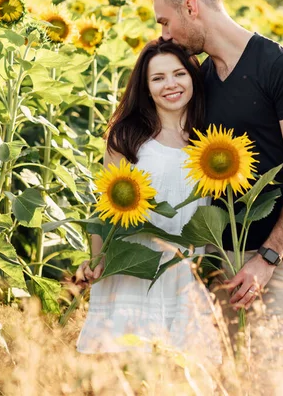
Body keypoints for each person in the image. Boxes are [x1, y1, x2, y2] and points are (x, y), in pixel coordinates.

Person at [142, 0, 283, 394]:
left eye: (165, 21)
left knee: (269, 383)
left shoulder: (279, 67)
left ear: (192, 7)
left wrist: (267, 258)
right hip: (218, 259)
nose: (163, 34)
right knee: (225, 383)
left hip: (277, 262)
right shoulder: (201, 79)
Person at [75, 39, 218, 355]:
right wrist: (97, 260)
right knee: (127, 371)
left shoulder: (212, 142)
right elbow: (105, 208)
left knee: (183, 376)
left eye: (179, 74)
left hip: (185, 272)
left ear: (193, 78)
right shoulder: (127, 138)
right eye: (158, 78)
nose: (171, 84)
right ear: (147, 88)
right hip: (135, 267)